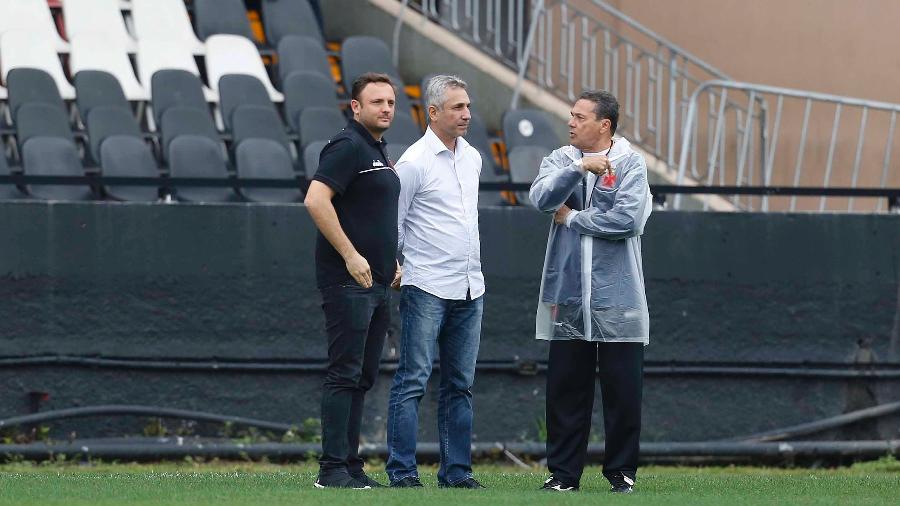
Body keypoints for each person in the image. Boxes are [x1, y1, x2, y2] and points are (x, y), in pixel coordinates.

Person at [529, 90, 653, 494]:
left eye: (580, 117)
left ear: (604, 125)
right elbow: (541, 199)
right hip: (567, 295)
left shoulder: (631, 163)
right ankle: (564, 475)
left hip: (618, 297)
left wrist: (573, 219)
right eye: (571, 115)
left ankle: (622, 472)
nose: (571, 122)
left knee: (623, 389)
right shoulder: (561, 159)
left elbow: (627, 221)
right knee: (566, 389)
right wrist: (578, 168)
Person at [385, 75, 486, 489]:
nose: (467, 114)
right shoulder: (414, 161)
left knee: (460, 385)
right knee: (413, 380)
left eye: (468, 106)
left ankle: (457, 473)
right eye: (457, 107)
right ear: (433, 112)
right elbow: (394, 221)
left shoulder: (473, 157)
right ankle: (402, 472)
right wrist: (396, 265)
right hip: (426, 285)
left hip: (470, 286)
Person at [304, 72, 402, 490]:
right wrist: (350, 255)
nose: (386, 108)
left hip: (377, 282)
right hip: (348, 282)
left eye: (391, 102)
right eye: (377, 102)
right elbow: (315, 199)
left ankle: (351, 466)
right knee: (344, 373)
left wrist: (389, 260)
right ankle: (331, 470)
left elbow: (369, 213)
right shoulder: (347, 145)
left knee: (362, 376)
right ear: (356, 107)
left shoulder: (376, 148)